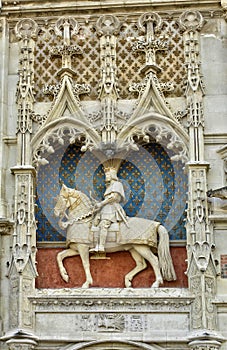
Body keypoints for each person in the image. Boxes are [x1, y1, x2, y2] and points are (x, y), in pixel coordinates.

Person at [90, 167, 127, 253]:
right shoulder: (109, 186)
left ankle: (101, 247)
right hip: (106, 208)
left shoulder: (117, 184)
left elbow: (113, 197)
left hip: (112, 208)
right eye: (106, 174)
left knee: (103, 224)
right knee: (95, 223)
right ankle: (96, 245)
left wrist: (101, 203)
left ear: (112, 175)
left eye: (108, 174)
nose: (106, 176)